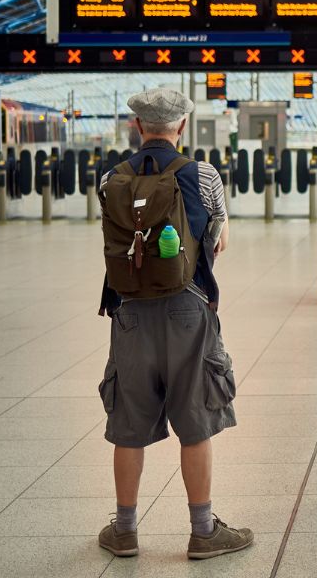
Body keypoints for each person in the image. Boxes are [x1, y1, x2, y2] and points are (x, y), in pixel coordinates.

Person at [95, 87, 252, 561]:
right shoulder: (203, 176)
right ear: (181, 127)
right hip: (189, 309)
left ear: (138, 127)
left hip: (129, 312)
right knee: (196, 419)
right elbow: (219, 240)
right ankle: (203, 532)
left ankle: (124, 530)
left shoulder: (111, 179)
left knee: (129, 421)